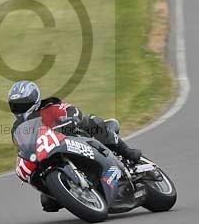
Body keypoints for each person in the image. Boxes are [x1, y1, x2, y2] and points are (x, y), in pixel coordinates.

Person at [8, 80, 143, 212]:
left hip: (73, 138)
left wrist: (71, 120)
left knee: (90, 121)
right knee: (47, 202)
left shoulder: (50, 107)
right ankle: (72, 189)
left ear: (34, 100)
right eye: (16, 106)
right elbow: (22, 146)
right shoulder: (17, 127)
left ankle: (126, 151)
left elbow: (72, 110)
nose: (19, 109)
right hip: (47, 154)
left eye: (23, 104)